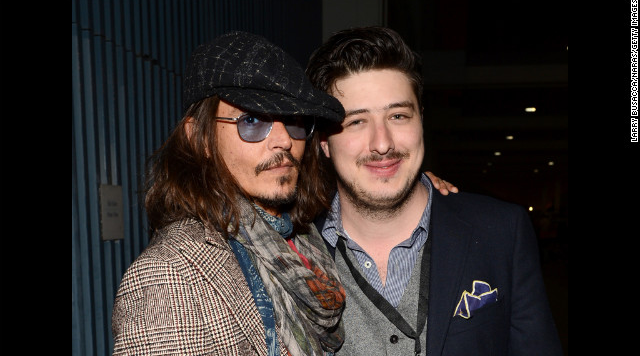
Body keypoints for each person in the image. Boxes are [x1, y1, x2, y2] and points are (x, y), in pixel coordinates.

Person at [111, 30, 454, 356]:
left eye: (293, 121)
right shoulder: (171, 274)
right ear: (199, 138)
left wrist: (407, 181)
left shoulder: (302, 241)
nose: (284, 140)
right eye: (252, 121)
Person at [305, 26, 563, 355]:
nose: (382, 143)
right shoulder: (289, 251)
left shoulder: (502, 232)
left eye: (398, 116)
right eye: (356, 121)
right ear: (324, 141)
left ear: (421, 121)